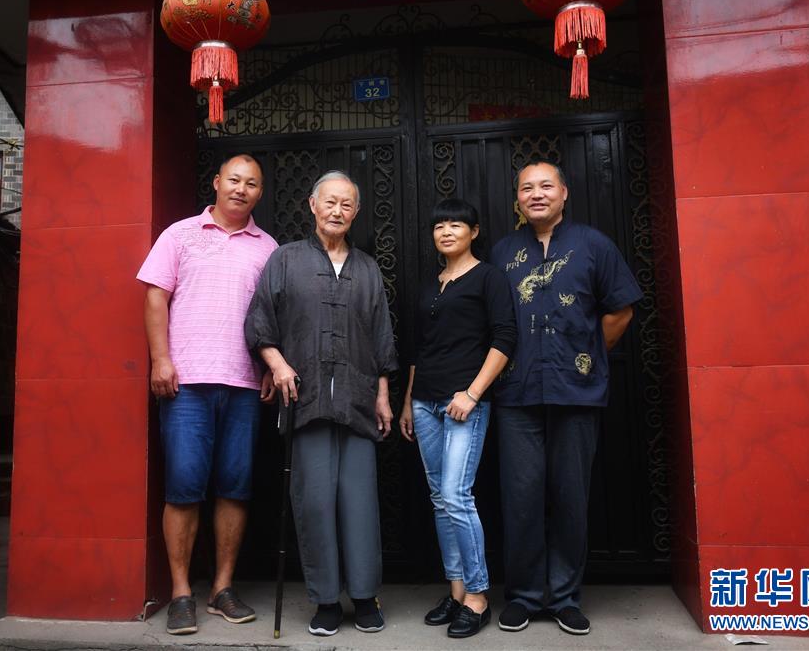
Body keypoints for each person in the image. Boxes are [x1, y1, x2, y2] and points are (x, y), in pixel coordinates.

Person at [491, 159, 642, 636]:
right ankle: (523, 596)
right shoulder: (502, 252)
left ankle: (564, 597)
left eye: (545, 186)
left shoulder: (593, 245)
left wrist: (586, 354)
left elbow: (621, 310)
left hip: (576, 392)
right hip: (516, 394)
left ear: (564, 193)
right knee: (521, 497)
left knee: (571, 497)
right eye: (527, 188)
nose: (536, 194)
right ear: (517, 199)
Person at [244, 170, 397, 637]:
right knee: (313, 502)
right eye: (330, 202)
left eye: (346, 204)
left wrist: (383, 395)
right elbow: (260, 320)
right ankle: (326, 600)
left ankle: (365, 596)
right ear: (312, 205)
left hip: (357, 401)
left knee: (359, 502)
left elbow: (381, 335)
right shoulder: (285, 259)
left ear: (356, 212)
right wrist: (277, 364)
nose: (337, 211)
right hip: (305, 400)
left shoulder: (367, 268)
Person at [136, 154, 278, 636]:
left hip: (243, 384)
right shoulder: (179, 235)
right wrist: (160, 359)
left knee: (235, 487)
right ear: (217, 183)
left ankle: (221, 588)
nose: (241, 189)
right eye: (234, 179)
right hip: (186, 384)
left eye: (251, 183)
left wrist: (268, 366)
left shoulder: (268, 248)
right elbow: (155, 296)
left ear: (260, 193)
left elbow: (274, 315)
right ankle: (181, 593)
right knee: (183, 487)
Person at [400, 198, 516, 639]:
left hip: (465, 402)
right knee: (439, 498)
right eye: (439, 226)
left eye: (455, 225)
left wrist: (472, 393)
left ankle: (479, 596)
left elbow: (505, 339)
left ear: (474, 231)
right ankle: (456, 591)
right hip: (425, 402)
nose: (446, 232)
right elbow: (419, 350)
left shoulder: (489, 277)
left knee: (456, 494)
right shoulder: (430, 285)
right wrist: (409, 401)